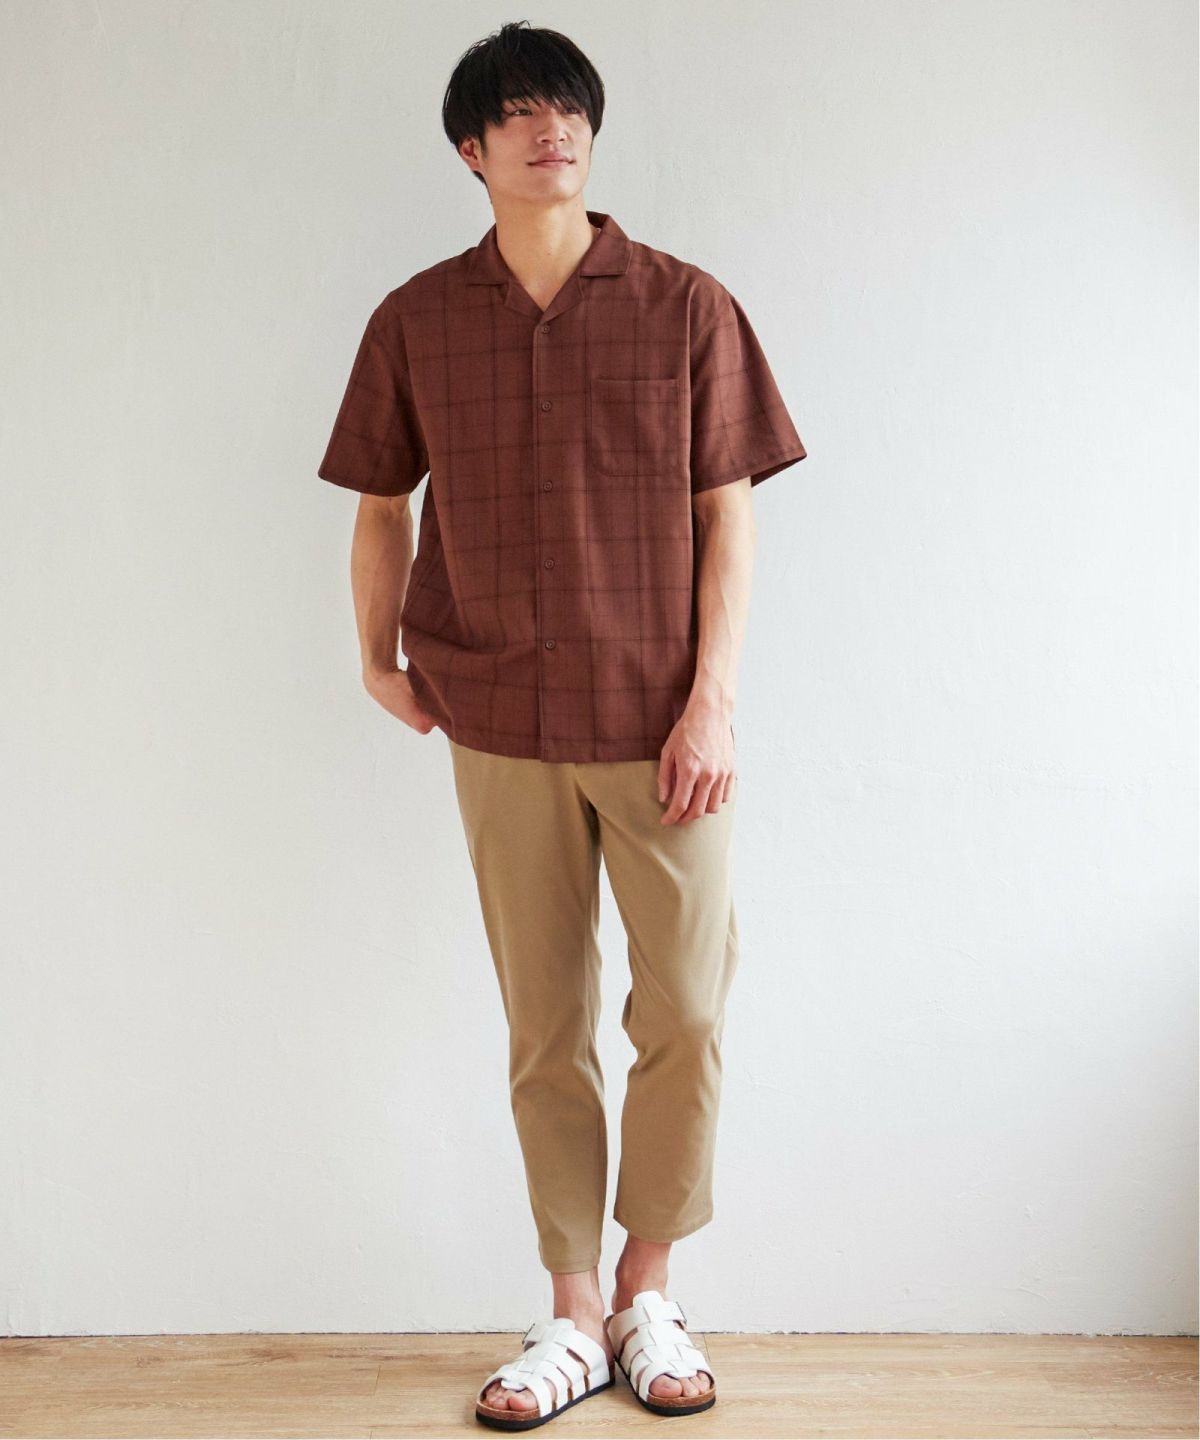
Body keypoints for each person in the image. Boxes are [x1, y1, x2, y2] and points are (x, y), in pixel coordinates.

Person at [317, 20, 807, 1428]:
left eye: (571, 110)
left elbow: (729, 518)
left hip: (660, 723)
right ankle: (574, 1312)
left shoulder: (686, 306)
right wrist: (374, 657)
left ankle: (651, 1290)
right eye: (522, 114)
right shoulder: (416, 320)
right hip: (495, 714)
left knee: (687, 1009)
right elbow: (381, 505)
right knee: (546, 1025)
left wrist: (714, 701)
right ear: (470, 150)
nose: (554, 132)